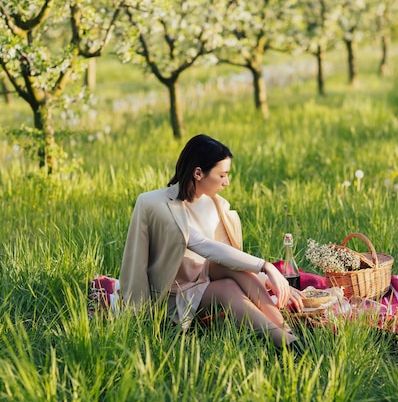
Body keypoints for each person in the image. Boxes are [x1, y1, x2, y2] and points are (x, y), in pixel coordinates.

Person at [120, 134, 305, 350]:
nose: (227, 182)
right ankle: (287, 344)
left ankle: (286, 331)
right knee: (227, 289)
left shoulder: (216, 204)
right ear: (198, 173)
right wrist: (265, 265)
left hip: (204, 278)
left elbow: (227, 257)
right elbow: (202, 245)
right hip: (173, 295)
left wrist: (270, 278)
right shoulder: (155, 204)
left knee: (235, 273)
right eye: (222, 175)